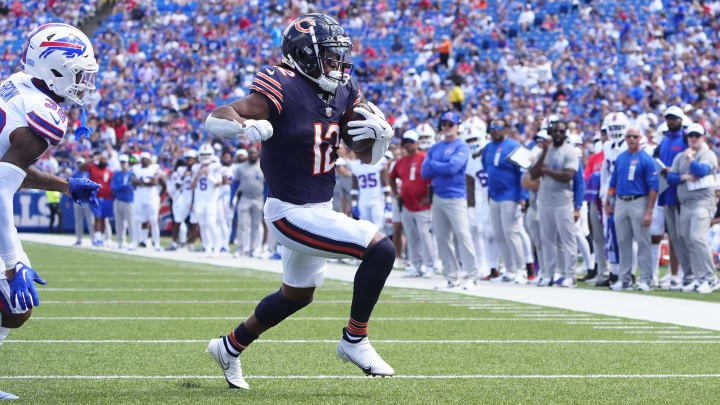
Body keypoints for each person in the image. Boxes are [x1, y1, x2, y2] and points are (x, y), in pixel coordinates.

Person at [203, 14, 395, 388]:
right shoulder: (282, 85)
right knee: (381, 249)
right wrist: (244, 126)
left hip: (320, 210)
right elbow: (219, 115)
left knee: (296, 295)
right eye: (330, 56)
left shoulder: (344, 90)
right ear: (305, 55)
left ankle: (228, 347)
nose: (339, 66)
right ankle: (354, 339)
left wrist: (380, 138)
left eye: (341, 57)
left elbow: (366, 155)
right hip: (288, 211)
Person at [0, 23, 100, 401]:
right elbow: (1, 186)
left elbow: (10, 167)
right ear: (54, 69)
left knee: (14, 303)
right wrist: (15, 259)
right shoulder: (43, 114)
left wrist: (63, 185)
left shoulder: (20, 85)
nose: (86, 81)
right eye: (79, 73)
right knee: (14, 293)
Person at [421, 110, 477, 288]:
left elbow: (453, 168)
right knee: (442, 238)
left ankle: (471, 275)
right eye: (444, 124)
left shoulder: (462, 146)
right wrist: (441, 167)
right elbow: (424, 172)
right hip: (438, 196)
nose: (446, 127)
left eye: (450, 124)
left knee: (462, 235)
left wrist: (435, 165)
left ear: (457, 126)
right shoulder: (435, 147)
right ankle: (451, 277)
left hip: (456, 196)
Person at [667, 123, 719, 293]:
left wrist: (690, 159)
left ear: (703, 137)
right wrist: (684, 177)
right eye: (691, 136)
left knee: (697, 238)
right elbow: (671, 178)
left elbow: (701, 170)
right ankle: (699, 278)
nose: (694, 139)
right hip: (686, 203)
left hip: (702, 202)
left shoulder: (707, 154)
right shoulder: (680, 156)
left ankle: (711, 279)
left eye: (697, 136)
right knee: (688, 240)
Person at [606, 127, 659, 291]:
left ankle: (645, 278)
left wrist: (649, 210)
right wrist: (610, 201)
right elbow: (613, 182)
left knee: (642, 241)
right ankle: (624, 278)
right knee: (622, 241)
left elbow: (653, 187)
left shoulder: (647, 159)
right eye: (628, 136)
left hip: (639, 200)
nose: (631, 139)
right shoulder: (621, 158)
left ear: (640, 138)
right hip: (621, 201)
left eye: (634, 136)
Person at [530, 119, 579, 287]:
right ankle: (548, 273)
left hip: (563, 200)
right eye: (555, 131)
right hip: (544, 200)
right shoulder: (544, 151)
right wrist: (543, 153)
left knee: (567, 238)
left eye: (561, 131)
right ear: (550, 133)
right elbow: (533, 174)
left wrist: (547, 171)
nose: (558, 134)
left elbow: (568, 175)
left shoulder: (570, 151)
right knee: (547, 239)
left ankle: (569, 274)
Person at [482, 117, 529, 283]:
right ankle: (509, 269)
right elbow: (486, 167)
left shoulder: (514, 146)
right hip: (494, 195)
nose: (496, 131)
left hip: (511, 195)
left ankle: (521, 269)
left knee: (512, 233)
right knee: (499, 233)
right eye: (493, 128)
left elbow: (523, 171)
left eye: (499, 127)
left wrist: (522, 197)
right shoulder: (487, 148)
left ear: (506, 129)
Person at [390, 130, 434, 278]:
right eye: (405, 142)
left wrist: (429, 196)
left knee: (425, 236)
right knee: (411, 236)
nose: (408, 145)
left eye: (410, 142)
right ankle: (416, 265)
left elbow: (432, 178)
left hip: (423, 205)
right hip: (407, 204)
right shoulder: (400, 162)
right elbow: (391, 177)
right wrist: (396, 193)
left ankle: (430, 265)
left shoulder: (424, 157)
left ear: (417, 143)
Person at [656, 106, 691, 287]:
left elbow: (691, 162)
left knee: (684, 235)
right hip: (666, 191)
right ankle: (676, 274)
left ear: (681, 120)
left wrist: (673, 170)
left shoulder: (685, 138)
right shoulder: (664, 141)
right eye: (669, 118)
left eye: (674, 118)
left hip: (681, 192)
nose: (671, 121)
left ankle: (688, 273)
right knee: (673, 236)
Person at [233, 146, 265, 257]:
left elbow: (267, 185)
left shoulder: (262, 165)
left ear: (258, 154)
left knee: (256, 225)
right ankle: (241, 248)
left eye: (254, 153)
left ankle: (254, 249)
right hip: (245, 198)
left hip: (258, 198)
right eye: (251, 153)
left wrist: (266, 199)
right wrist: (231, 198)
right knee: (242, 225)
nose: (253, 155)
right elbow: (235, 183)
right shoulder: (241, 167)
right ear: (248, 154)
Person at [192, 144, 223, 257]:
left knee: (211, 223)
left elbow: (218, 183)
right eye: (203, 154)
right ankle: (207, 248)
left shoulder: (216, 166)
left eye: (207, 154)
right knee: (203, 225)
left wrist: (208, 176)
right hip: (200, 200)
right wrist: (197, 176)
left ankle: (218, 247)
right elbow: (192, 185)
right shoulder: (196, 167)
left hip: (211, 200)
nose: (205, 157)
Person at [348, 151, 390, 229]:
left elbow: (385, 183)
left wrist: (388, 201)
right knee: (365, 228)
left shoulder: (380, 161)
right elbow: (354, 187)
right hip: (363, 200)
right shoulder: (354, 165)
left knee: (379, 227)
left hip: (377, 200)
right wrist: (354, 204)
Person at [80, 153, 114, 247]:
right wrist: (92, 159)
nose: (103, 160)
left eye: (105, 159)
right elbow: (81, 167)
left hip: (107, 198)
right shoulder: (93, 167)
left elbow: (112, 185)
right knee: (97, 217)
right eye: (101, 159)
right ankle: (97, 238)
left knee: (103, 218)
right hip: (96, 197)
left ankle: (101, 238)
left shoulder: (110, 172)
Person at [132, 151, 162, 251]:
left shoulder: (154, 168)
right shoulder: (136, 168)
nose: (144, 160)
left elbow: (154, 182)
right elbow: (133, 181)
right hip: (140, 198)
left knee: (154, 221)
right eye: (143, 158)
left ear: (149, 160)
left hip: (151, 198)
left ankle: (157, 244)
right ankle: (133, 242)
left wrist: (142, 182)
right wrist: (146, 181)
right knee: (136, 221)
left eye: (146, 158)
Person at [168, 150, 197, 251]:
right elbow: (177, 185)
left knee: (194, 221)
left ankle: (191, 243)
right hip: (184, 197)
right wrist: (183, 176)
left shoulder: (198, 168)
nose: (189, 161)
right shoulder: (181, 169)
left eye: (191, 159)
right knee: (177, 220)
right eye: (188, 159)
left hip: (195, 197)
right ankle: (174, 242)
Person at [110, 154, 135, 249]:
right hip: (118, 200)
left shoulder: (132, 173)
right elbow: (113, 187)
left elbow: (130, 186)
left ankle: (133, 241)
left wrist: (120, 188)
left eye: (124, 162)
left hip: (129, 200)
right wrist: (122, 188)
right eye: (121, 162)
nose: (123, 164)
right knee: (119, 223)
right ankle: (120, 241)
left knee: (130, 222)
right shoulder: (117, 173)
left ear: (127, 162)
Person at [71, 157, 95, 246]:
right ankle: (79, 239)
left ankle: (94, 239)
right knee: (78, 221)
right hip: (78, 200)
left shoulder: (88, 173)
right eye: (78, 163)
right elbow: (71, 188)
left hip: (87, 201)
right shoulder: (75, 174)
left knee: (91, 221)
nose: (79, 165)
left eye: (81, 163)